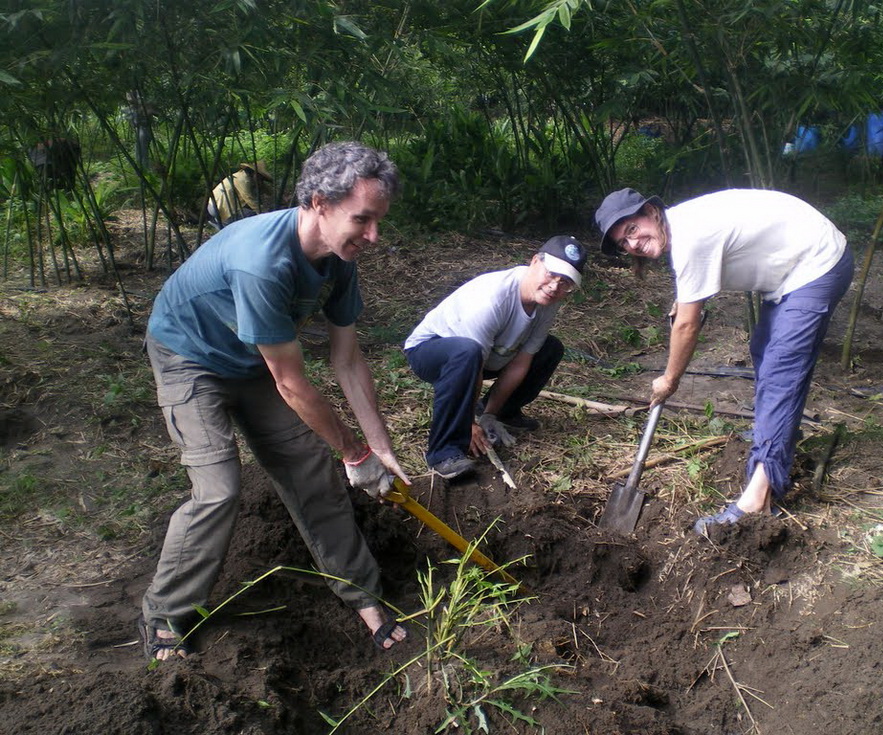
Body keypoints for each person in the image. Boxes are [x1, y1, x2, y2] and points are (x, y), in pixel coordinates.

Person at [139, 141, 410, 661]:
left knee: (311, 468)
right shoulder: (262, 262)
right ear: (317, 202)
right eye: (362, 219)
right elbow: (290, 382)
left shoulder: (338, 258)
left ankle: (362, 595)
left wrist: (379, 447)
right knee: (218, 489)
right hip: (189, 357)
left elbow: (348, 361)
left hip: (252, 360)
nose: (373, 236)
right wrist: (354, 455)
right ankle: (164, 610)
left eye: (379, 221)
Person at [595, 188, 853, 534]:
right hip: (788, 270)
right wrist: (688, 299)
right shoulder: (681, 229)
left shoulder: (690, 237)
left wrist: (669, 379)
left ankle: (758, 500)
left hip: (816, 264)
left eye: (631, 229)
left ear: (653, 211)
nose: (633, 243)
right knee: (765, 348)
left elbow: (687, 325)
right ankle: (772, 433)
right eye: (623, 243)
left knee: (782, 367)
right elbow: (698, 288)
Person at [404, 236, 586, 479]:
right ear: (535, 262)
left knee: (550, 348)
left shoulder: (548, 302)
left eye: (565, 283)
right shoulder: (493, 297)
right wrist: (468, 423)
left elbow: (523, 360)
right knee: (466, 354)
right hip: (432, 351)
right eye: (552, 274)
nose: (555, 286)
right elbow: (474, 365)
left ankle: (503, 413)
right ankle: (443, 453)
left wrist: (489, 414)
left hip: (486, 357)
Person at [207, 160, 274, 228]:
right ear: (255, 174)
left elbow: (264, 187)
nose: (261, 180)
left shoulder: (241, 175)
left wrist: (279, 196)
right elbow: (249, 198)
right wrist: (263, 213)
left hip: (214, 204)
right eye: (261, 178)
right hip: (220, 207)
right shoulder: (244, 180)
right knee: (251, 215)